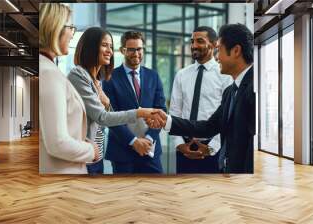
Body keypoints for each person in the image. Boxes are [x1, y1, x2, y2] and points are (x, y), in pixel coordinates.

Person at [151, 23, 255, 173]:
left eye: (219, 50)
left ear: (236, 51)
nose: (218, 57)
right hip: (195, 153)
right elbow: (209, 126)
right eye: (192, 41)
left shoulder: (253, 88)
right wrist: (166, 121)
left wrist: (212, 148)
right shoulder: (231, 92)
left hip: (229, 164)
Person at [67, 27, 164, 174]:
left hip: (97, 154)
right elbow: (104, 117)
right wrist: (139, 116)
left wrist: (149, 138)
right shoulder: (87, 76)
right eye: (104, 45)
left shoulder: (98, 79)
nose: (110, 51)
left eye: (110, 47)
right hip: (97, 153)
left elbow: (160, 110)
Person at [39, 3, 99, 174]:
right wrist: (91, 150)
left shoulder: (49, 69)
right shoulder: (49, 74)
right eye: (71, 27)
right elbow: (57, 142)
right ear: (55, 28)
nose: (73, 34)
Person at [169, 26, 232, 173]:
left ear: (214, 44)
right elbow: (175, 111)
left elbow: (226, 116)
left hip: (212, 152)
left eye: (200, 41)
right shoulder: (182, 75)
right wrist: (179, 144)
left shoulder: (225, 75)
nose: (194, 45)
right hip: (183, 150)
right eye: (192, 41)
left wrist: (211, 148)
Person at [102, 31, 167, 174]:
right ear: (122, 50)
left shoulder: (153, 76)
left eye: (139, 49)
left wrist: (149, 139)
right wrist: (134, 141)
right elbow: (110, 115)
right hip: (122, 151)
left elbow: (161, 110)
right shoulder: (110, 78)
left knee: (156, 193)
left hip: (151, 150)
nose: (136, 53)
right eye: (131, 49)